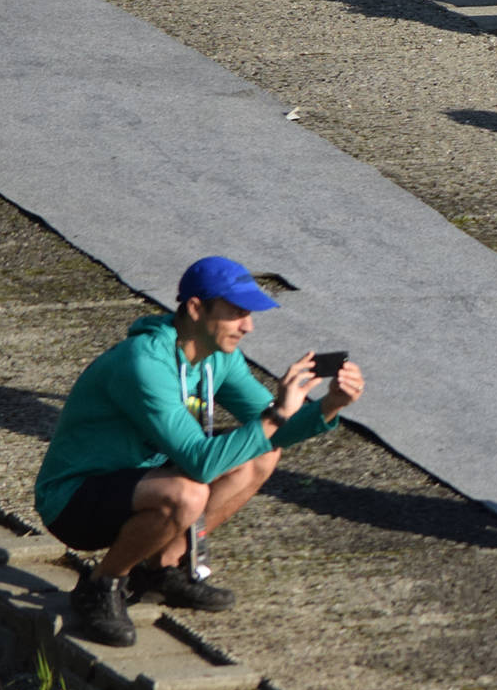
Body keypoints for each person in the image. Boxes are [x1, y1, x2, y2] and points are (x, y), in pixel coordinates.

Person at [33, 256, 362, 647]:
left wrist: (329, 405)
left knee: (262, 455)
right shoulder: (144, 363)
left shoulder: (220, 358)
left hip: (144, 485)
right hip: (74, 499)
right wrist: (277, 412)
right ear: (195, 308)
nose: (248, 325)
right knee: (189, 491)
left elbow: (271, 433)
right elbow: (200, 462)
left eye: (250, 314)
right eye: (237, 313)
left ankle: (161, 570)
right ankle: (101, 585)